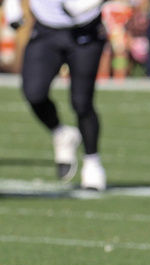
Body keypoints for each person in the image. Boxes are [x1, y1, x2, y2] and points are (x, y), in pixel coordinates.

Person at [9, 0, 109, 190]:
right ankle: (61, 133)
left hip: (85, 29)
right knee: (33, 92)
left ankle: (92, 162)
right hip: (46, 27)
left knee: (82, 102)